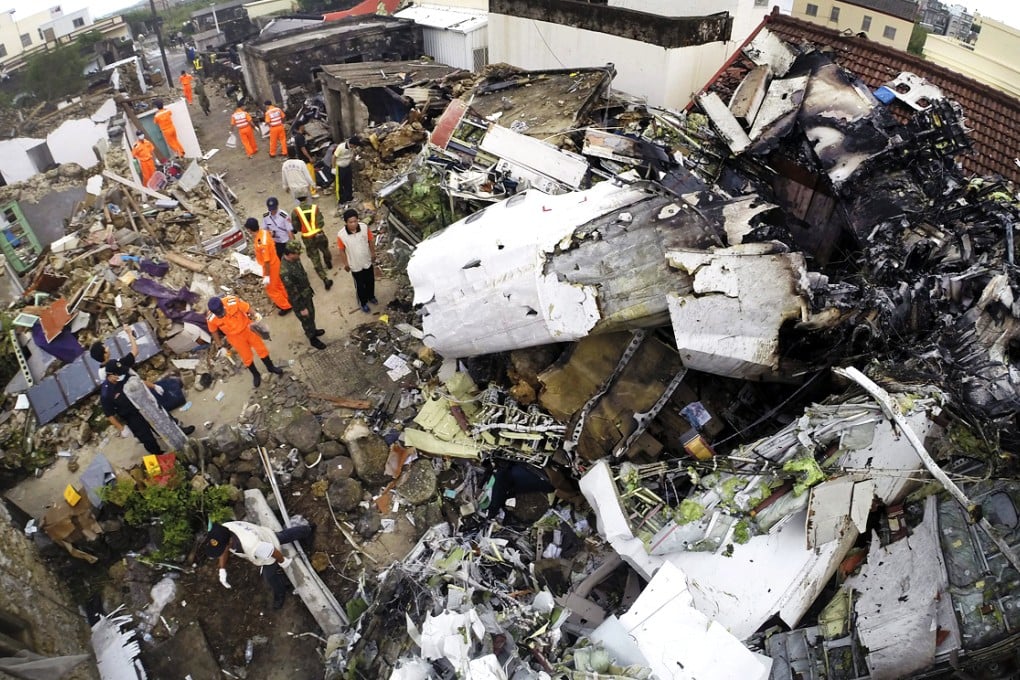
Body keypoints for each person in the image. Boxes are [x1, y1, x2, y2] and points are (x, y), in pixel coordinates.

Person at [206, 520, 314, 610]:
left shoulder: (252, 545)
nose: (220, 552)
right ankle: (306, 530)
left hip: (266, 549)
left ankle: (280, 593)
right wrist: (222, 569)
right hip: (262, 534)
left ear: (229, 542)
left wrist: (282, 561)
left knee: (270, 576)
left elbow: (272, 551)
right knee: (282, 536)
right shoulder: (224, 529)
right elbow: (223, 550)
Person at [205, 295, 285, 388]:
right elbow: (213, 331)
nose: (221, 315)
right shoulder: (210, 318)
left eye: (222, 312)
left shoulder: (232, 301)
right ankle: (255, 374)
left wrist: (255, 314)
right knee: (246, 357)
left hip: (248, 329)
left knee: (261, 349)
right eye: (219, 315)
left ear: (223, 305)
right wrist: (220, 346)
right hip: (235, 337)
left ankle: (270, 367)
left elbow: (246, 308)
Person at [100, 358, 163, 454]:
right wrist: (121, 428)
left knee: (161, 423)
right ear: (111, 376)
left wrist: (154, 386)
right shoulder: (106, 394)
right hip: (131, 416)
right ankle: (159, 454)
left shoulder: (124, 375)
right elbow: (109, 414)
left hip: (142, 405)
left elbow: (139, 382)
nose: (122, 375)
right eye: (119, 374)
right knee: (147, 439)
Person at [280, 240, 327, 349]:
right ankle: (312, 338)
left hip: (306, 293)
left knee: (311, 315)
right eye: (297, 253)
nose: (300, 255)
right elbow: (292, 292)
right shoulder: (285, 272)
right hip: (299, 300)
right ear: (290, 254)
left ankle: (313, 330)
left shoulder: (294, 259)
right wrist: (301, 308)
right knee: (306, 320)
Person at [245, 217, 291, 315]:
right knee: (279, 284)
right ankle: (287, 298)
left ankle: (285, 306)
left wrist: (266, 276)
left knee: (271, 289)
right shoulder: (264, 233)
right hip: (275, 262)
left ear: (249, 229)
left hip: (270, 267)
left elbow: (266, 261)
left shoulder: (261, 243)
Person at [336, 208, 377, 313]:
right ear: (346, 222)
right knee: (360, 285)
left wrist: (373, 253)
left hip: (366, 260)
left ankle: (371, 296)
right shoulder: (341, 235)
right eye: (351, 222)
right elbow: (341, 250)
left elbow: (370, 241)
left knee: (370, 281)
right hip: (355, 264)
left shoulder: (364, 227)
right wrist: (345, 264)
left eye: (355, 221)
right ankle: (363, 303)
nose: (354, 224)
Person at [291, 193, 333, 290]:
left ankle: (325, 279)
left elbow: (296, 227)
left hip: (307, 238)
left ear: (298, 200)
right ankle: (328, 261)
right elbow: (321, 222)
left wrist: (304, 229)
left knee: (315, 258)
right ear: (307, 197)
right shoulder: (315, 208)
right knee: (325, 249)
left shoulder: (295, 212)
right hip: (319, 234)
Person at [292, 123, 319, 197]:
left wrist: (306, 132)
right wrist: (309, 158)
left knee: (310, 174)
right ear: (300, 127)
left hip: (304, 159)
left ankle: (313, 188)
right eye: (303, 126)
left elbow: (310, 137)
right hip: (305, 159)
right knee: (310, 175)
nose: (304, 127)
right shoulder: (299, 137)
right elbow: (303, 149)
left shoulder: (300, 136)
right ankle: (312, 191)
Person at [333, 138, 354, 205]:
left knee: (348, 182)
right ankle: (340, 200)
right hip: (340, 167)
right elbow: (334, 157)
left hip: (347, 166)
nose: (355, 147)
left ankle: (349, 197)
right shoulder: (341, 147)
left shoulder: (352, 148)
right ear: (351, 144)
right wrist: (333, 168)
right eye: (355, 145)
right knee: (339, 184)